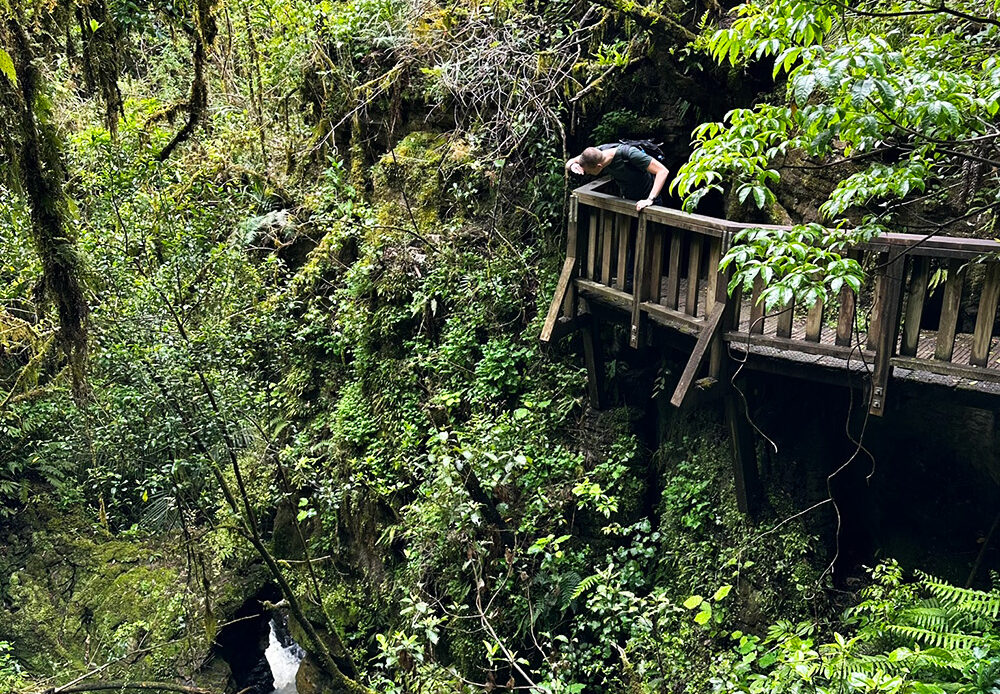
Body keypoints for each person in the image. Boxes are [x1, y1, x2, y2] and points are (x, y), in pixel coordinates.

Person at [565, 143, 669, 211]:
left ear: (599, 166)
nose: (586, 173)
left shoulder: (630, 154)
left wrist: (649, 199)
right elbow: (569, 162)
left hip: (650, 201)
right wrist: (572, 165)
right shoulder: (596, 153)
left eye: (588, 172)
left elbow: (662, 171)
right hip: (627, 200)